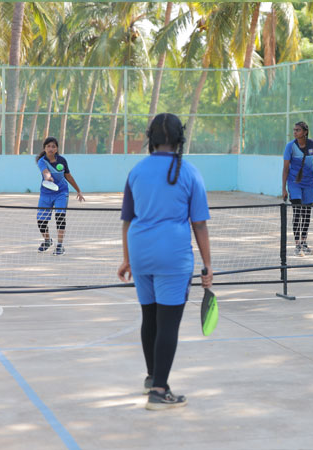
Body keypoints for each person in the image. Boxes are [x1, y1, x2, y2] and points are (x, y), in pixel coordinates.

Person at [117, 113, 213, 411]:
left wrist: (127, 259)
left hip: (140, 252)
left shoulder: (136, 171)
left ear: (152, 139)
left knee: (149, 317)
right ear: (179, 139)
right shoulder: (190, 172)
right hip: (172, 255)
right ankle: (159, 391)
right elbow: (199, 224)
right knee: (168, 323)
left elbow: (127, 220)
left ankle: (152, 378)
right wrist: (208, 266)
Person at [36, 137, 85, 255]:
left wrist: (78, 190)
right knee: (41, 221)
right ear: (44, 148)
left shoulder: (62, 160)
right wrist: (48, 177)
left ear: (57, 149)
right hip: (46, 193)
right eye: (48, 146)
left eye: (53, 146)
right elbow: (45, 172)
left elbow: (68, 176)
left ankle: (59, 245)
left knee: (60, 217)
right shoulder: (42, 161)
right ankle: (47, 241)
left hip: (61, 193)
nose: (51, 149)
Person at [282, 121, 313, 257]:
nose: (295, 132)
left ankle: (304, 242)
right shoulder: (290, 146)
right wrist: (284, 188)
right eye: (294, 130)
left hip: (308, 184)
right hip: (294, 183)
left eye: (298, 130)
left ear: (305, 132)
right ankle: (297, 244)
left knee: (307, 213)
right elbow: (285, 168)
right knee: (297, 212)